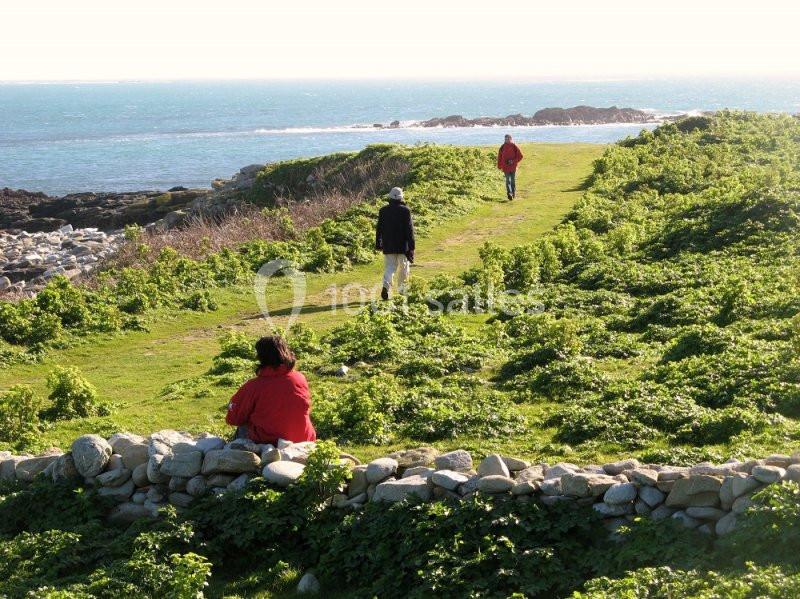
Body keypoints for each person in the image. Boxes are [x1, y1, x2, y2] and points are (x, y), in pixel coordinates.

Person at [225, 336, 317, 445]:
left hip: (270, 443)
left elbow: (233, 419)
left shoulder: (253, 386)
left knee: (243, 424)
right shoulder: (299, 377)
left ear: (260, 357)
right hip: (303, 438)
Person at [376, 186, 415, 300]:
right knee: (403, 268)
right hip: (403, 246)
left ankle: (386, 287)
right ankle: (402, 292)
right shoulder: (406, 211)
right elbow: (409, 230)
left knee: (390, 267)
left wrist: (378, 242)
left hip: (388, 244)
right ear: (401, 198)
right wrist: (412, 247)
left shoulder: (383, 211)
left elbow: (379, 228)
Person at [497, 134, 523, 200]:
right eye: (506, 139)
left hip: (513, 167)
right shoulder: (502, 147)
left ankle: (513, 194)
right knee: (507, 181)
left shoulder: (514, 146)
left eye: (508, 139)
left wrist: (513, 161)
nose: (507, 140)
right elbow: (499, 157)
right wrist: (499, 166)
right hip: (505, 167)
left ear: (511, 139)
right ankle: (509, 194)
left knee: (513, 181)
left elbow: (520, 156)